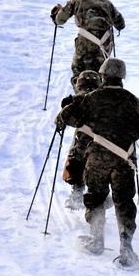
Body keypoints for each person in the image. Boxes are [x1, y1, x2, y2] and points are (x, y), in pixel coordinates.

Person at [56, 58, 139, 269]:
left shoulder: (91, 98)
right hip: (125, 159)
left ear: (102, 75)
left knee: (96, 197)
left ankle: (97, 240)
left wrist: (69, 108)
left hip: (97, 157)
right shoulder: (133, 100)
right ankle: (126, 247)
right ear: (122, 77)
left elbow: (68, 117)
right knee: (124, 200)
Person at [51, 0, 125, 88]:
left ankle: (81, 97)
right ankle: (99, 97)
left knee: (79, 71)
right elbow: (120, 24)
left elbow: (60, 19)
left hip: (85, 40)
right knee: (101, 72)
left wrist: (57, 12)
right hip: (104, 43)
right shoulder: (107, 3)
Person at [57, 70, 102, 208]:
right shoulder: (104, 97)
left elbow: (60, 121)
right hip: (105, 145)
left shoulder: (77, 100)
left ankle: (77, 189)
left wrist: (65, 108)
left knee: (75, 154)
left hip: (83, 149)